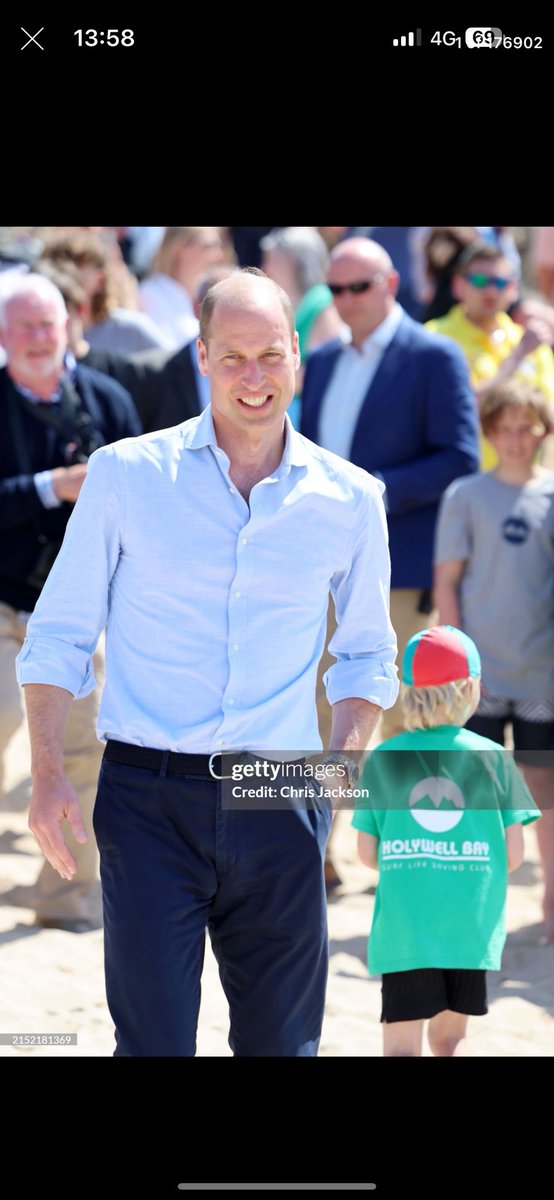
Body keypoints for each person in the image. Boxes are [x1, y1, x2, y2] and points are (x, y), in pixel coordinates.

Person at [16, 268, 399, 1056]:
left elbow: (365, 654)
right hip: (147, 796)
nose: (254, 378)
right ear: (201, 356)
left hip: (279, 793)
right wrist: (49, 770)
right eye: (233, 358)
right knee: (153, 1044)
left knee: (283, 1045)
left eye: (269, 355)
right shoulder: (126, 475)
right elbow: (58, 634)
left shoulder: (352, 498)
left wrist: (335, 778)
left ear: (298, 353)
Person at [0, 273, 141, 930]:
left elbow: (145, 504)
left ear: (69, 327)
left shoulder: (107, 401)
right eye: (22, 326)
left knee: (83, 754)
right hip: (3, 608)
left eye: (46, 324)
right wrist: (50, 487)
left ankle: (64, 899)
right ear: (3, 335)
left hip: (83, 619)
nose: (36, 338)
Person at [301, 237, 479, 742]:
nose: (347, 298)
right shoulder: (323, 363)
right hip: (323, 566)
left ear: (392, 285)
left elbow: (460, 456)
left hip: (398, 567)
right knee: (318, 710)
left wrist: (374, 490)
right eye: (336, 288)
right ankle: (316, 823)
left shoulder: (434, 356)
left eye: (359, 286)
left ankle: (403, 825)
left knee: (400, 714)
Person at [352, 625, 540, 1057]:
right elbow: (513, 855)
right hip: (468, 930)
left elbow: (365, 853)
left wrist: (415, 859)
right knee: (451, 1041)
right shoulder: (493, 757)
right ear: (471, 689)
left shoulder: (385, 758)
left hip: (404, 929)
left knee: (400, 1046)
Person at [434, 379, 554, 940]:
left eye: (526, 427)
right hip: (480, 680)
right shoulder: (465, 495)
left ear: (542, 432)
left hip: (542, 676)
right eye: (503, 428)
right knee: (477, 791)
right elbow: (448, 581)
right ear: (489, 433)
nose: (515, 439)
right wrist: (460, 662)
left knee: (541, 787)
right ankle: (473, 899)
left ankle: (551, 898)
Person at [426, 242, 554, 468]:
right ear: (457, 286)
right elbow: (461, 411)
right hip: (464, 481)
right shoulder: (434, 338)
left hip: (527, 482)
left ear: (513, 289)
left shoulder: (530, 340)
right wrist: (517, 357)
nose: (492, 290)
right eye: (480, 281)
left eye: (501, 282)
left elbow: (549, 414)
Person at [139, 226, 226, 349]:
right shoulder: (150, 295)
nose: (219, 255)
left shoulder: (194, 296)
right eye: (209, 247)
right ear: (180, 248)